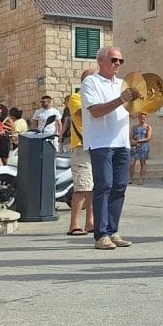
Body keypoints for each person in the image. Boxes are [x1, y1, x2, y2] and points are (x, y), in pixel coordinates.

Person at [82, 47, 138, 250]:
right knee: (104, 186)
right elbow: (96, 111)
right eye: (114, 60)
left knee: (119, 187)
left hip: (121, 142)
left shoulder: (122, 84)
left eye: (121, 61)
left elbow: (130, 112)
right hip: (101, 142)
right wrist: (121, 99)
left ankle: (113, 231)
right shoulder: (91, 82)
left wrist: (137, 106)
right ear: (101, 61)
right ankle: (101, 234)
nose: (117, 64)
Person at [66, 71, 95, 236]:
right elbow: (84, 114)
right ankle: (74, 224)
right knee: (82, 187)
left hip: (95, 146)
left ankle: (90, 222)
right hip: (81, 146)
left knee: (93, 187)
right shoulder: (76, 97)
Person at [130, 112, 152, 185]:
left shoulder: (148, 127)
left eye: (144, 118)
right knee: (132, 163)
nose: (142, 119)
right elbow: (131, 136)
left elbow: (148, 137)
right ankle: (131, 179)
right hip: (135, 147)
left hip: (144, 146)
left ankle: (141, 179)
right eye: (141, 117)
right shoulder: (134, 127)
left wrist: (138, 141)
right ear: (138, 118)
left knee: (142, 163)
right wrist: (133, 142)